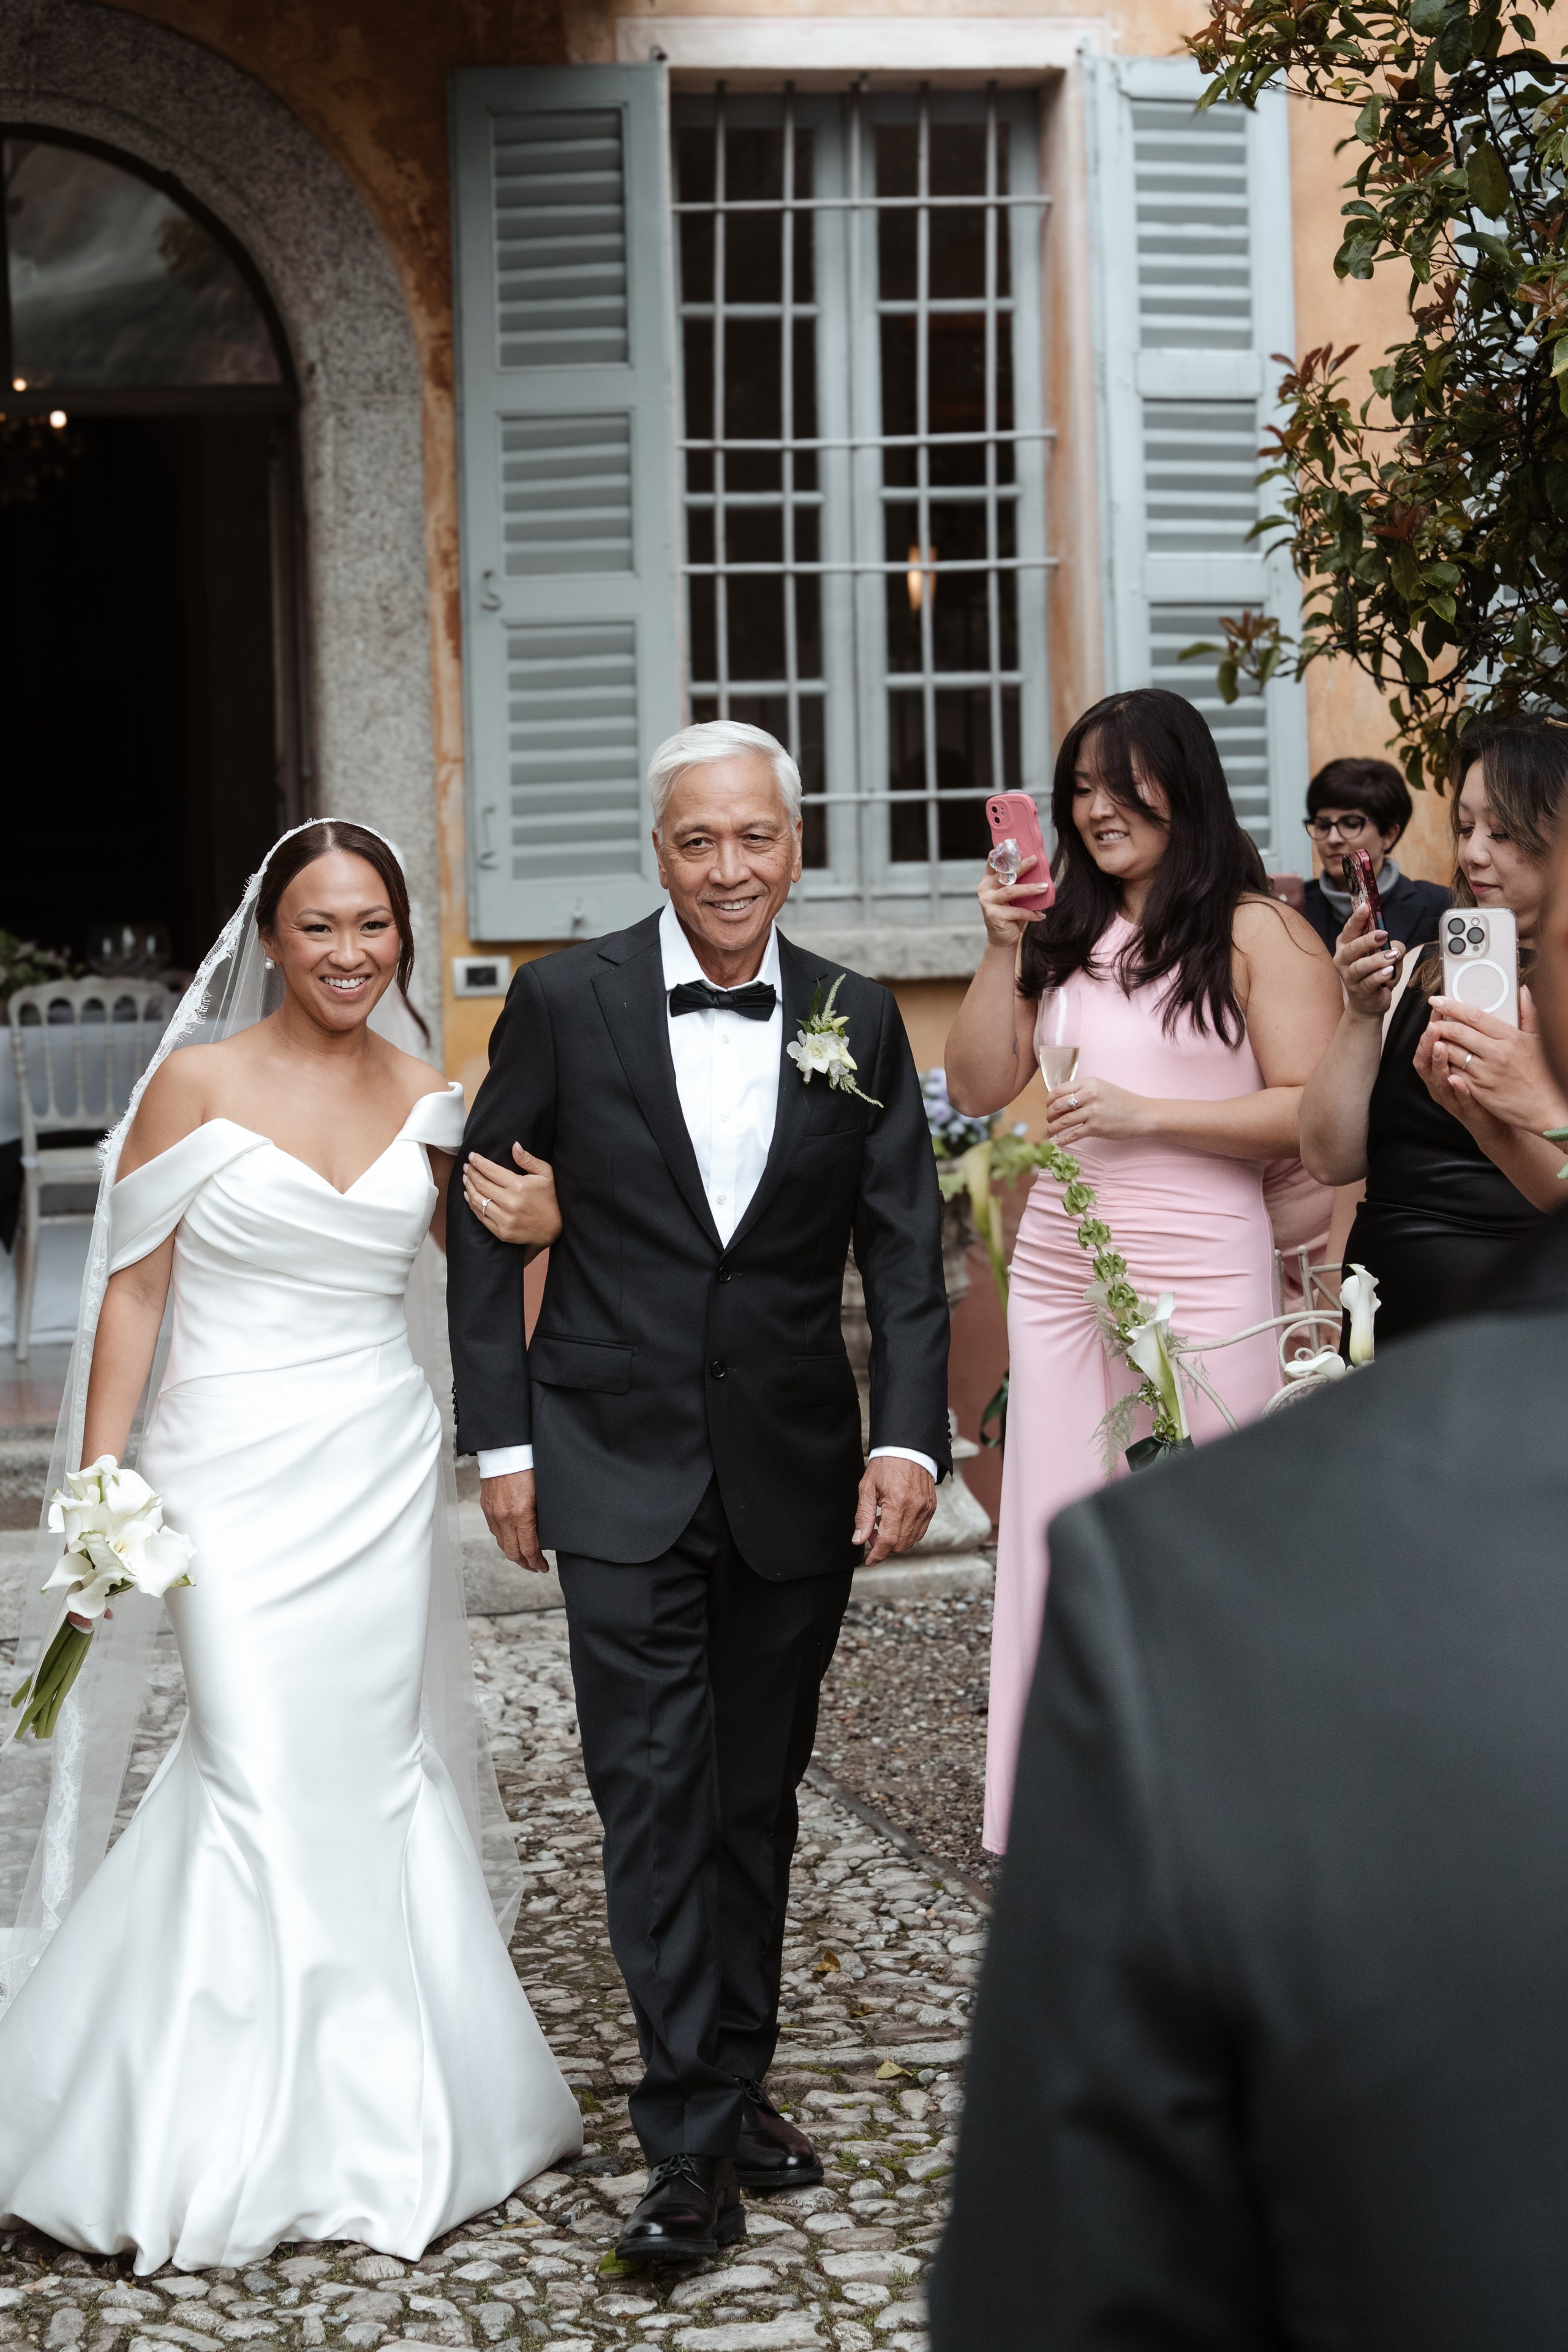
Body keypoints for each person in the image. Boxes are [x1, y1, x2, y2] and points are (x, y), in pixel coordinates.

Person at [929, 805, 1568, 2352]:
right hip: (1353, 1330)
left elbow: (1070, 2270)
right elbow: (1337, 1140)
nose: (1472, 862)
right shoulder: (1198, 1584)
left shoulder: (1202, 1591)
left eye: (1506, 838)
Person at [0, 820, 581, 2272]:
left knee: (367, 1768)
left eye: (372, 924)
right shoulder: (193, 1084)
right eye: (318, 925)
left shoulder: (436, 1097)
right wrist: (97, 1489)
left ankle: (382, 2109)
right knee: (251, 1766)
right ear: (268, 936)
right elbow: (131, 1294)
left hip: (374, 1470)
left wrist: (558, 1226)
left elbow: (491, 1294)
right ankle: (217, 2119)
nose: (349, 952)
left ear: (399, 932)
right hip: (224, 1475)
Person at [446, 720, 951, 2262]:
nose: (726, 868)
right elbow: (481, 1218)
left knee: (752, 1795)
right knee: (652, 1792)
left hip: (795, 1468)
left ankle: (730, 2077)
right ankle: (684, 2143)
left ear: (791, 847)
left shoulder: (858, 1015)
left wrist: (909, 1437)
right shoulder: (560, 999)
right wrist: (505, 1441)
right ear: (654, 850)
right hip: (610, 1458)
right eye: (694, 841)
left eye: (753, 839)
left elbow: (903, 1249)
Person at [943, 688, 1341, 1855]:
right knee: (1058, 1527)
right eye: (1080, 790)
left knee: (1205, 1529)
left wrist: (1149, 1116)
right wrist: (999, 941)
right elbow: (974, 1084)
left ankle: (1221, 1807)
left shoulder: (1260, 931)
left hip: (1205, 1272)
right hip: (1064, 1268)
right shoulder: (1058, 925)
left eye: (1126, 785)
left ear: (1187, 783)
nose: (1099, 810)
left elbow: (1314, 1121)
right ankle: (1071, 1811)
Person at [1300, 716, 1568, 1341]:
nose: (1473, 852)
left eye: (1503, 832)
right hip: (1388, 1328)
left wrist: (1533, 1107)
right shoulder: (1421, 969)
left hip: (1521, 1330)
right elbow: (1328, 1158)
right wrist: (1363, 1013)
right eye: (1467, 827)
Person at [1299, 753, 1452, 953]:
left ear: (1389, 834)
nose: (1333, 838)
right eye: (1323, 825)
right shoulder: (1293, 907)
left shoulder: (1440, 906)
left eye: (1351, 824)